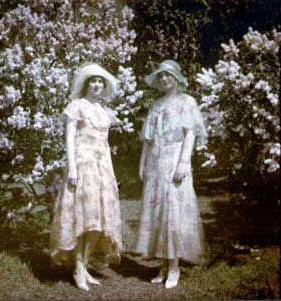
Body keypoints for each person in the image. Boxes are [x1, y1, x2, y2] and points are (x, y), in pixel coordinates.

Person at [50, 63, 122, 291]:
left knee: (99, 222)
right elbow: (69, 139)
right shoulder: (76, 106)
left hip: (102, 168)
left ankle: (84, 264)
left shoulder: (103, 112)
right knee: (83, 218)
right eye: (93, 81)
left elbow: (106, 143)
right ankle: (78, 269)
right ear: (86, 84)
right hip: (82, 165)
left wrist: (111, 173)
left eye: (101, 81)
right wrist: (72, 168)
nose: (97, 85)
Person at [136, 59, 207, 289]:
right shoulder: (156, 105)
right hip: (156, 161)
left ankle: (174, 266)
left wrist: (183, 163)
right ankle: (164, 265)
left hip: (176, 159)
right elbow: (147, 140)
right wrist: (143, 163)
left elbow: (190, 135)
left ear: (177, 78)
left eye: (168, 75)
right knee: (158, 211)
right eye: (161, 76)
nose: (165, 79)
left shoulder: (187, 102)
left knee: (173, 211)